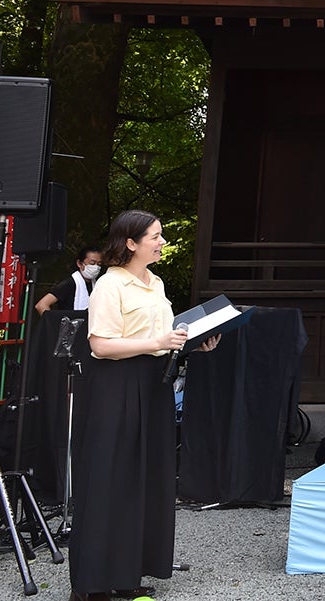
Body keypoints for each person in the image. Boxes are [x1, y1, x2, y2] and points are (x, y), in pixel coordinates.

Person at [71, 211, 216, 601]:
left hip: (155, 386)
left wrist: (193, 343)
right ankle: (92, 585)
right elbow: (100, 345)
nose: (162, 242)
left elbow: (161, 337)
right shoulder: (109, 285)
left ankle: (128, 574)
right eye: (155, 236)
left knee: (145, 480)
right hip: (115, 388)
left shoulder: (157, 283)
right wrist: (158, 343)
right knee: (109, 479)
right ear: (131, 243)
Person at [34, 245, 104, 313]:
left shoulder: (97, 285)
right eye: (92, 263)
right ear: (79, 263)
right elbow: (41, 305)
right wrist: (53, 324)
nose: (96, 267)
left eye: (99, 264)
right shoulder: (69, 283)